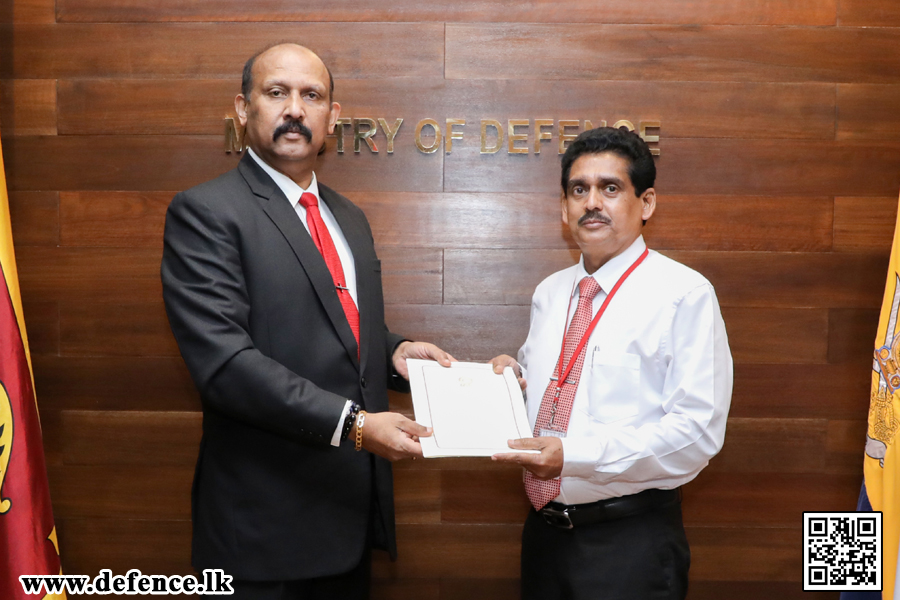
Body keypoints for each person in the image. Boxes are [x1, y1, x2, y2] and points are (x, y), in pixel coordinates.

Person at [160, 42, 453, 600]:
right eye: (277, 93)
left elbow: (335, 330)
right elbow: (225, 365)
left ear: (332, 119)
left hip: (348, 520)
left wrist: (393, 352)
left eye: (311, 96)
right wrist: (359, 426)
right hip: (262, 537)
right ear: (243, 110)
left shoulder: (349, 217)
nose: (295, 109)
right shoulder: (206, 213)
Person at [490, 127, 733, 600]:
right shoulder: (550, 291)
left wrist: (573, 455)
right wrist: (512, 382)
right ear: (563, 208)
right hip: (544, 538)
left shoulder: (685, 295)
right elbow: (553, 389)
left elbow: (697, 433)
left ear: (646, 203)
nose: (591, 202)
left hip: (630, 545)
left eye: (610, 188)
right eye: (579, 190)